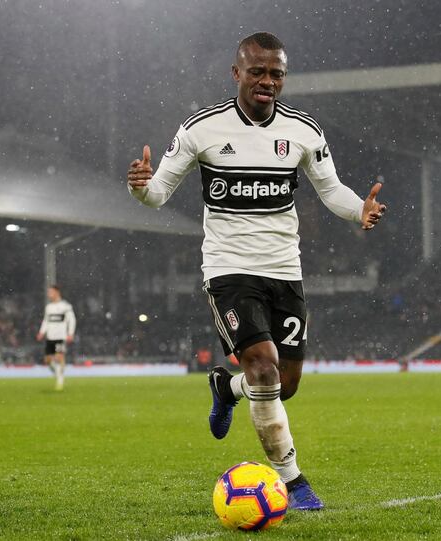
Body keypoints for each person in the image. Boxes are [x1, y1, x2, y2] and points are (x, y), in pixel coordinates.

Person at [127, 32, 386, 510]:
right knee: (264, 366)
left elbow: (331, 190)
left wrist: (358, 211)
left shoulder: (304, 131)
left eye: (276, 74)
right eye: (258, 72)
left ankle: (225, 386)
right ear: (237, 74)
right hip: (229, 269)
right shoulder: (201, 129)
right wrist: (140, 188)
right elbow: (158, 192)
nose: (268, 81)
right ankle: (293, 481)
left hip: (285, 269)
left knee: (283, 385)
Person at [36, 285, 76, 391]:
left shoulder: (65, 306)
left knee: (59, 357)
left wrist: (71, 333)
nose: (49, 294)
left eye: (51, 292)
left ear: (57, 292)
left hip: (60, 337)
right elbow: (46, 321)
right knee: (48, 361)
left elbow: (72, 320)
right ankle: (58, 373)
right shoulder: (48, 307)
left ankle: (60, 379)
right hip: (50, 337)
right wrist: (41, 332)